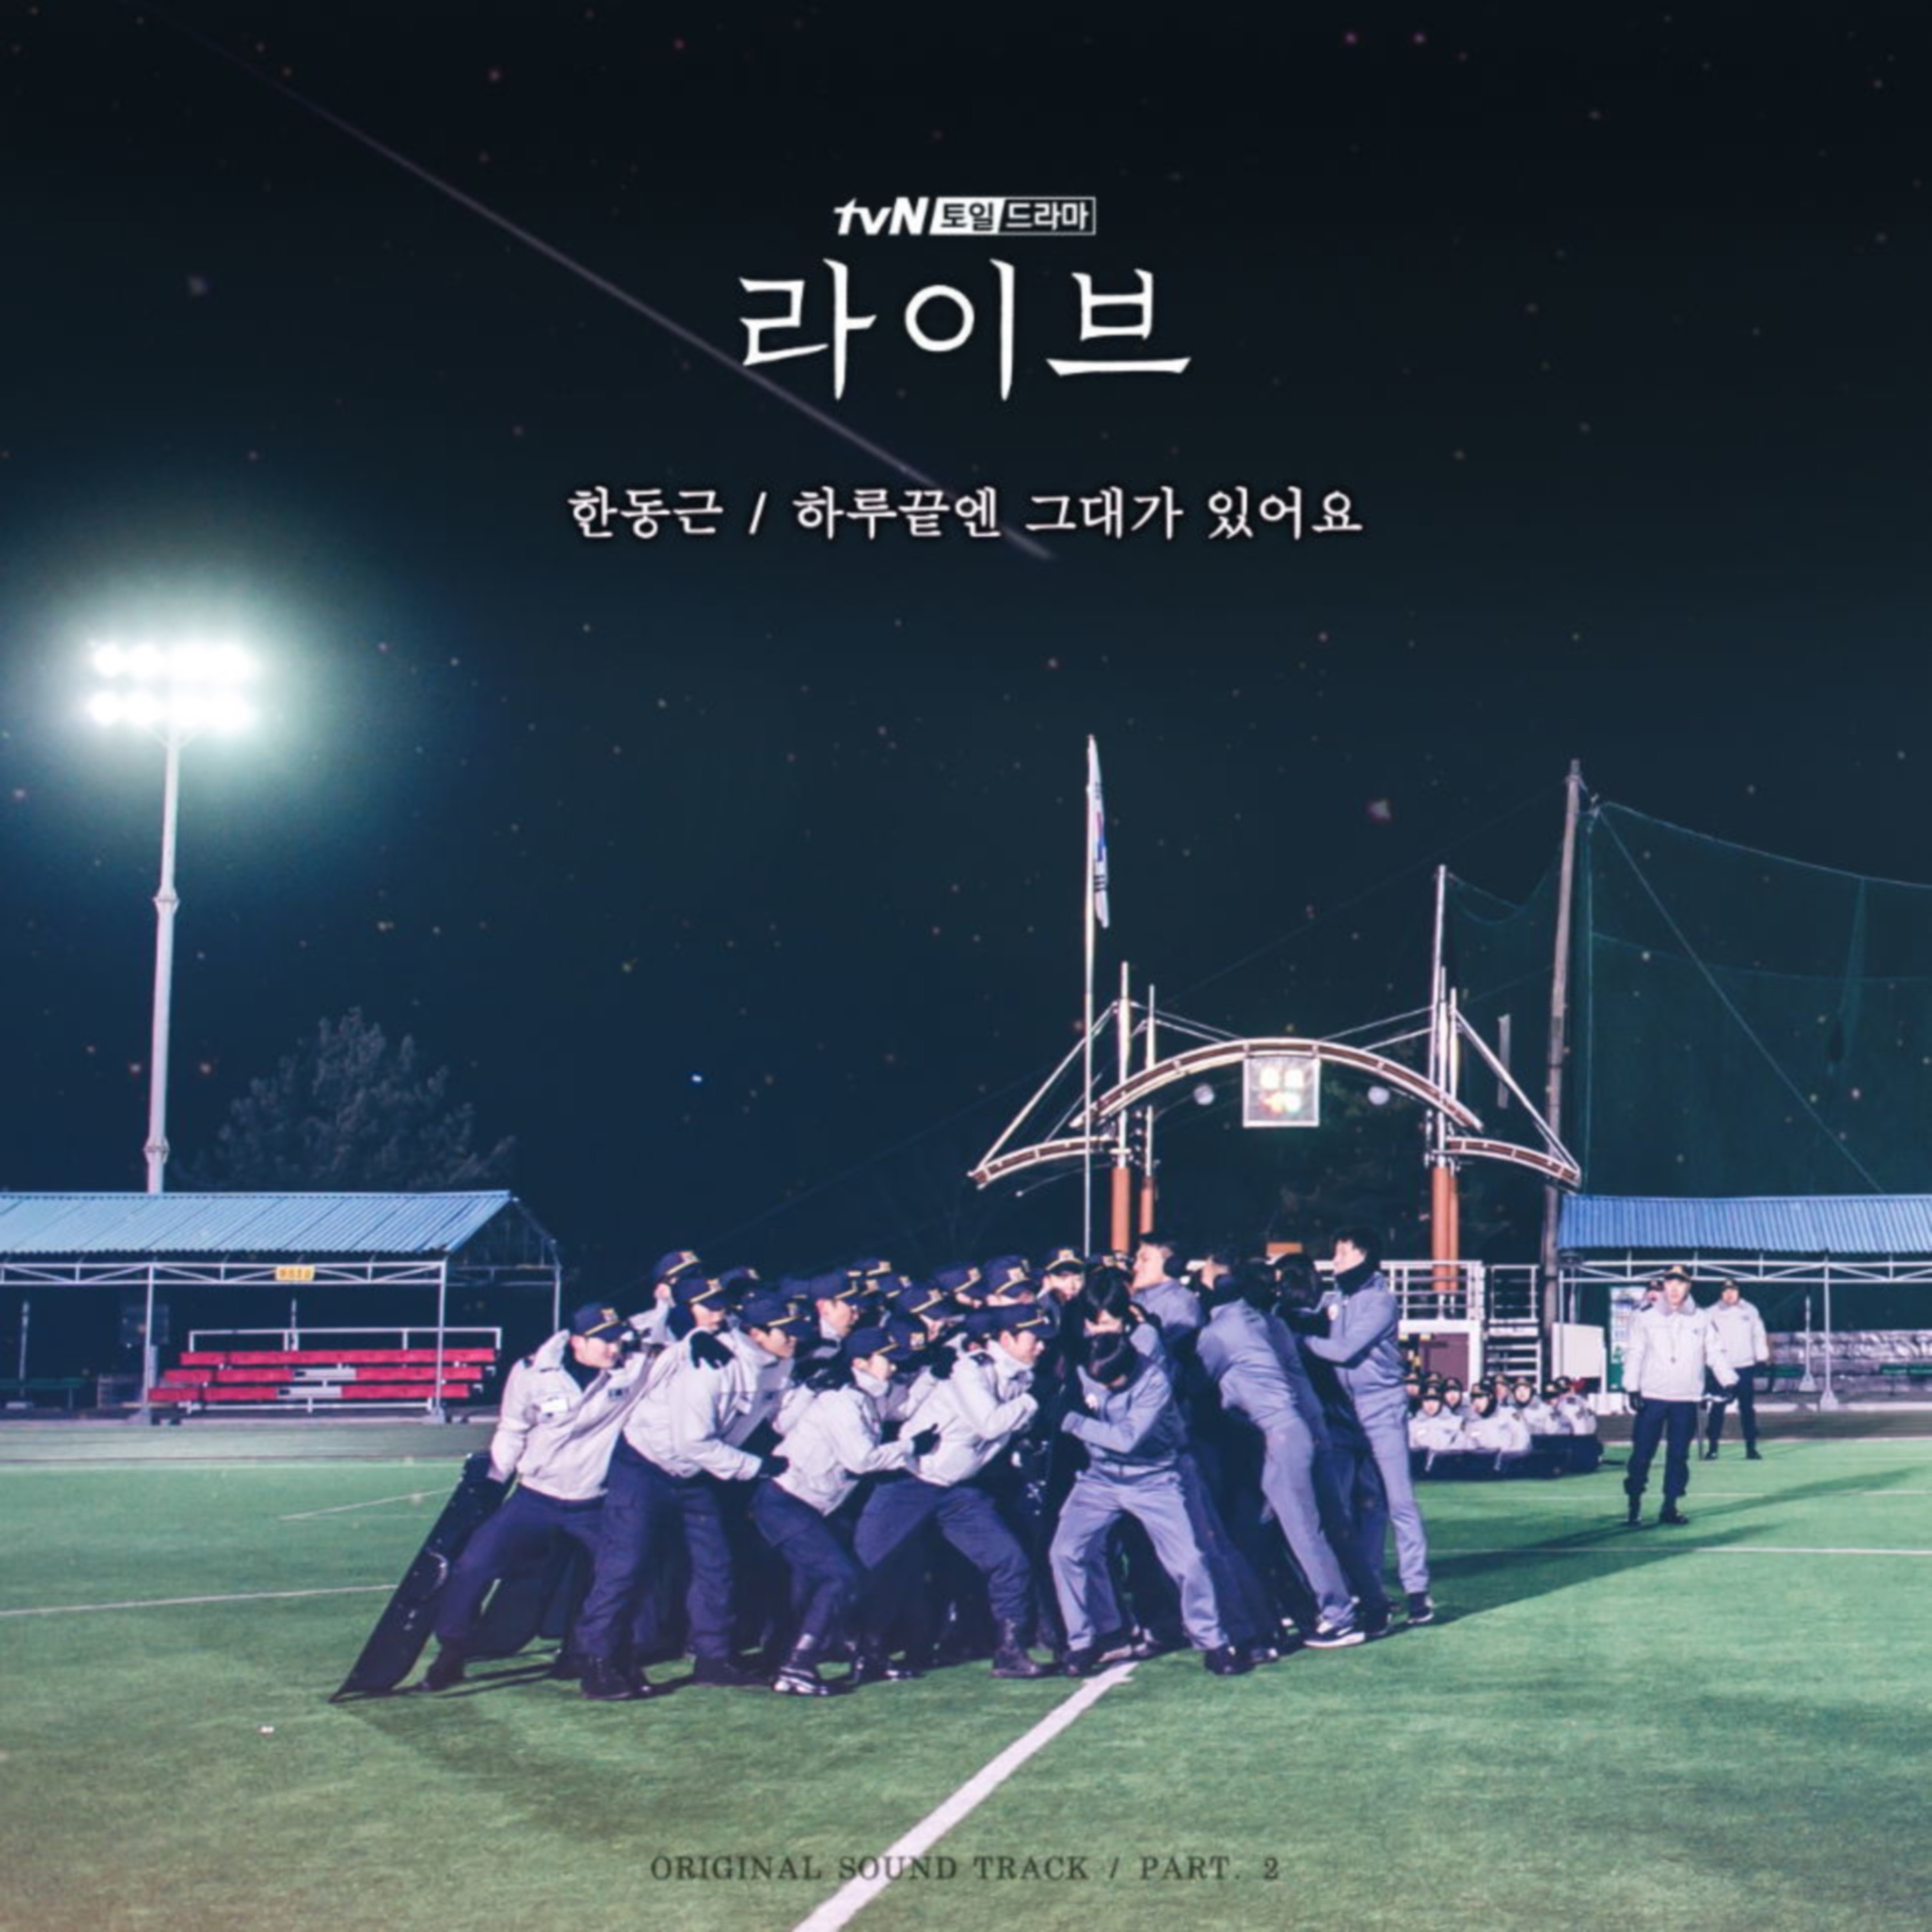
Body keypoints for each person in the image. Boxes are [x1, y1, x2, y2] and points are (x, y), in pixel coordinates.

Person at [570, 1291, 804, 1700]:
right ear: (757, 1334)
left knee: (716, 1564)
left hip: (697, 1474)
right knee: (625, 1566)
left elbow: (778, 1415)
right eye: (786, 1332)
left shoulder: (780, 1362)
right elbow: (692, 1441)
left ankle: (714, 1659)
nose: (795, 1338)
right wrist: (756, 1466)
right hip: (645, 1465)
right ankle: (599, 1661)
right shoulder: (711, 1363)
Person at [418, 1301, 653, 1690]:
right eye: (604, 1341)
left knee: (621, 1577)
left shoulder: (634, 1366)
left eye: (617, 1340)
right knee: (473, 1566)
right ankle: (453, 1650)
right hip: (535, 1498)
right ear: (577, 1341)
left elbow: (662, 1326)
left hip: (594, 1502)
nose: (614, 1349)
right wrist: (496, 1480)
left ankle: (607, 1659)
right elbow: (512, 1428)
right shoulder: (532, 1372)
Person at [853, 1306, 1054, 1679]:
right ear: (1006, 1338)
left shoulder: (1022, 1374)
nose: (1041, 1347)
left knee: (1010, 1561)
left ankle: (1010, 1650)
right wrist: (1034, 1400)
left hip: (958, 1489)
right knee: (877, 1566)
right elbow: (990, 1424)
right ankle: (866, 1652)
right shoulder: (970, 1369)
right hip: (909, 1480)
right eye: (1034, 1338)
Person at [1050, 1332, 1250, 1676]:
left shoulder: (1154, 1382)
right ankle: (1085, 1641)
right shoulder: (1087, 1369)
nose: (1105, 1387)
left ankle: (1213, 1643)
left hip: (1153, 1479)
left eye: (1112, 1381)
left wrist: (1071, 1421)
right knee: (1065, 1552)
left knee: (1189, 1562)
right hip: (1099, 1479)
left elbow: (1126, 1439)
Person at [753, 1327, 938, 1694]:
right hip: (786, 1500)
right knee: (839, 1577)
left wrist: (932, 1374)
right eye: (888, 1360)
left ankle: (828, 1655)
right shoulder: (843, 1402)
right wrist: (909, 1447)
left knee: (830, 1580)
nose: (895, 1367)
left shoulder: (868, 1396)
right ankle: (797, 1666)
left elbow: (905, 1405)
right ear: (860, 1363)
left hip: (812, 1506)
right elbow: (861, 1460)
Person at [1302, 1228, 1435, 1627]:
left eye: (1342, 1253)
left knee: (1398, 1501)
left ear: (1363, 1255)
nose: (1335, 1261)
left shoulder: (1380, 1300)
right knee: (1361, 1503)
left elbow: (1344, 1351)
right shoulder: (1338, 1297)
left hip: (1381, 1408)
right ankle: (1366, 1585)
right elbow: (1309, 1311)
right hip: (1346, 1413)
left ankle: (1417, 1591)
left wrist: (1300, 1341)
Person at [1622, 1269, 1736, 1526]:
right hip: (1652, 1396)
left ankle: (1670, 1506)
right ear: (1663, 1285)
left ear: (1689, 1286)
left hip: (1686, 1398)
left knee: (1678, 1456)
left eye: (1680, 1283)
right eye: (1670, 1282)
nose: (1674, 1288)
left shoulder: (1702, 1318)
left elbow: (1714, 1352)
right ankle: (1634, 1504)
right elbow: (1635, 1352)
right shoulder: (1644, 1317)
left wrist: (1728, 1380)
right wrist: (1632, 1387)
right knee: (1642, 1454)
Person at [1703, 1279, 1768, 1460]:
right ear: (1721, 1293)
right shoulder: (1711, 1313)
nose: (1729, 1294)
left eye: (1733, 1290)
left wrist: (1762, 1357)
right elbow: (1705, 1340)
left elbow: (1758, 1334)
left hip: (1745, 1367)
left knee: (1747, 1410)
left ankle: (1751, 1448)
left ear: (1738, 1291)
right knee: (1717, 1410)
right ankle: (1713, 1448)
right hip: (1721, 1368)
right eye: (1726, 1291)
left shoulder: (1750, 1310)